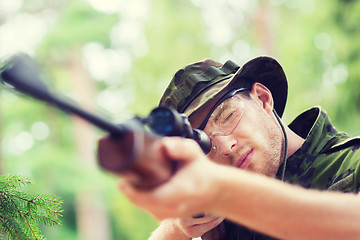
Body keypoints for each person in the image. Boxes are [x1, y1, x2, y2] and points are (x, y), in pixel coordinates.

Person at [98, 56, 360, 240]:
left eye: (226, 116)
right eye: (203, 143)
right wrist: (178, 227)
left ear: (263, 98)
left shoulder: (353, 165)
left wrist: (224, 194)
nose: (224, 145)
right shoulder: (219, 221)